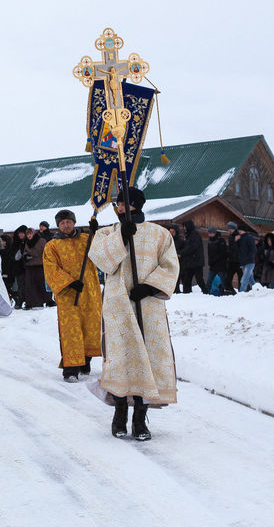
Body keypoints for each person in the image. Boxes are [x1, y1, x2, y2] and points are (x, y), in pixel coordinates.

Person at [89, 187, 179, 441]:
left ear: (137, 204)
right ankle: (119, 415)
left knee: (147, 358)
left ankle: (140, 418)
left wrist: (149, 287)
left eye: (124, 203)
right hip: (118, 305)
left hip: (148, 305)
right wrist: (121, 238)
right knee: (121, 359)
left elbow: (170, 265)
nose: (120, 207)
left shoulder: (159, 234)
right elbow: (100, 260)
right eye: (118, 203)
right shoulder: (107, 233)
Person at [42, 209, 102, 382]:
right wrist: (69, 282)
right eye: (62, 223)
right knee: (71, 330)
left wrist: (96, 233)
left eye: (68, 222)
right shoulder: (52, 246)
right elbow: (50, 268)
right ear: (58, 226)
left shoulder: (86, 239)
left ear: (74, 223)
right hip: (68, 295)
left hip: (89, 291)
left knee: (90, 327)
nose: (66, 225)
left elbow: (101, 252)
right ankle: (70, 370)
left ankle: (85, 362)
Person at [20, 223, 50, 309]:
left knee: (42, 284)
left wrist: (35, 256)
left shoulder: (41, 241)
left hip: (40, 265)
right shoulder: (27, 242)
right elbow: (25, 252)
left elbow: (46, 252)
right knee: (30, 286)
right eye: (27, 234)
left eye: (30, 234)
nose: (29, 236)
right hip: (30, 266)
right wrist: (25, 256)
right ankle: (30, 302)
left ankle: (47, 300)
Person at [176, 219, 206, 293]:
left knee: (199, 280)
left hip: (197, 262)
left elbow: (192, 247)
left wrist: (181, 253)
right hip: (190, 262)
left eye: (185, 226)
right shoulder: (188, 235)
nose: (184, 228)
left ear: (189, 226)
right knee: (187, 280)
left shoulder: (195, 235)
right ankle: (187, 294)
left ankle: (206, 292)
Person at [207, 229, 233, 295]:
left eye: (211, 233)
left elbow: (223, 253)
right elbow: (209, 253)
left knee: (223, 280)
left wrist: (215, 259)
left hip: (221, 264)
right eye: (209, 233)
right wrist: (210, 261)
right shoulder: (210, 241)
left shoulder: (221, 240)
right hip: (213, 265)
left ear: (214, 233)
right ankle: (206, 292)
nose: (210, 234)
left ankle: (226, 292)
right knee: (209, 279)